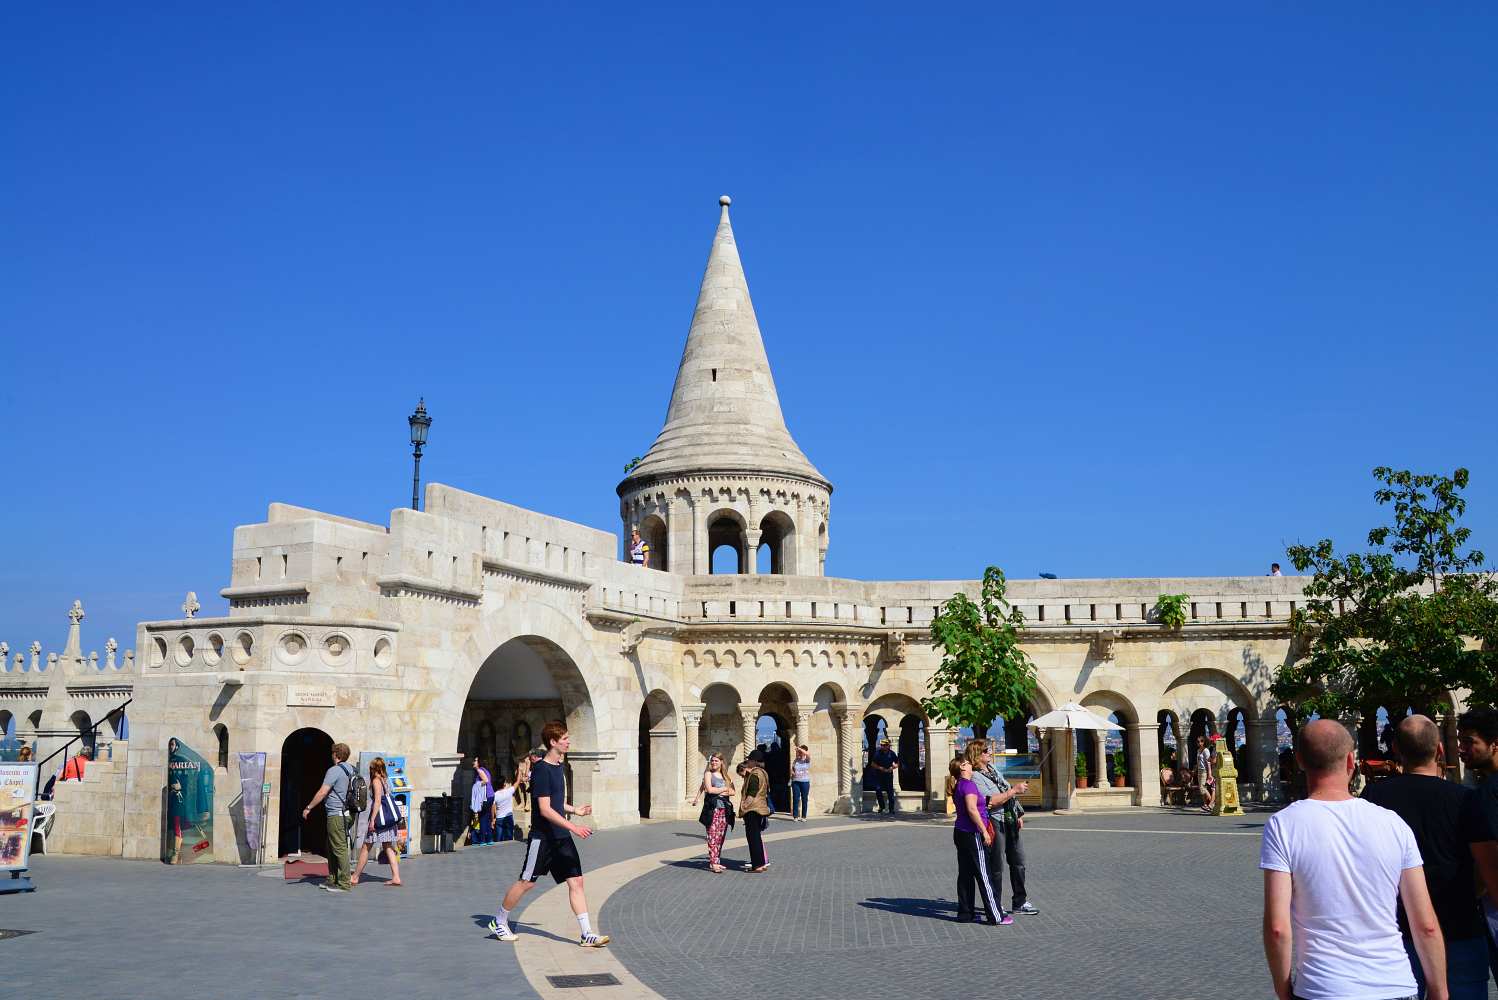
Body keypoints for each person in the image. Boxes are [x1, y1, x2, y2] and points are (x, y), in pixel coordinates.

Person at [1260, 719, 1446, 1000]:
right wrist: (1439, 990)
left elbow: (1277, 928)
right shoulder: (1393, 824)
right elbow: (1425, 924)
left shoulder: (1283, 824)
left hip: (1322, 986)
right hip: (1393, 983)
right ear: (1351, 760)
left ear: (1299, 760)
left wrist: (1283, 990)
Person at [1364, 716, 1490, 999]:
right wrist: (1472, 892)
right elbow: (1486, 868)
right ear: (1440, 750)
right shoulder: (1466, 799)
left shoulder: (1373, 796)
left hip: (1393, 929)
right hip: (1459, 926)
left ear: (1395, 748)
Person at [488, 721, 609, 948]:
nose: (568, 742)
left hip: (561, 837)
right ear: (553, 742)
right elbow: (544, 809)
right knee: (527, 882)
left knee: (577, 882)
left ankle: (587, 934)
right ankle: (499, 921)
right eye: (564, 739)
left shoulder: (557, 768)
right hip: (543, 838)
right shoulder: (541, 770)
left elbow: (555, 802)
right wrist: (574, 827)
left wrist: (575, 810)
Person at [966, 739, 1036, 916]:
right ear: (977, 755)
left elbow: (1006, 790)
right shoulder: (975, 776)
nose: (989, 752)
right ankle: (995, 903)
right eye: (985, 751)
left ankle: (1020, 901)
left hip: (1010, 819)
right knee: (996, 865)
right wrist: (1014, 790)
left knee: (1019, 862)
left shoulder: (993, 770)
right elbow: (989, 801)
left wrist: (1017, 813)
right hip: (995, 821)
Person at [1454, 708, 1498, 984]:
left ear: (1495, 744)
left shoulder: (1485, 796)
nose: (1461, 749)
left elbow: (1488, 865)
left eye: (1470, 742)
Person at [947, 758, 1004, 925]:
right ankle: (995, 915)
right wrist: (984, 831)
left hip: (961, 832)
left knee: (965, 874)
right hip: (972, 833)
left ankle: (965, 913)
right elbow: (972, 810)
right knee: (984, 874)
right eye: (966, 762)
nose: (970, 763)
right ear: (963, 768)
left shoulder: (960, 784)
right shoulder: (969, 784)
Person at [301, 742, 355, 893]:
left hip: (337, 814)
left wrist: (308, 807)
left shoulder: (335, 770)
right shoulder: (352, 769)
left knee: (339, 848)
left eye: (332, 753)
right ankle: (333, 878)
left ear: (336, 755)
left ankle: (344, 883)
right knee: (331, 847)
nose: (331, 755)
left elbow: (322, 792)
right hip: (347, 814)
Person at [353, 757, 403, 887]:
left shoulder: (376, 781)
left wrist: (372, 821)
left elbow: (378, 802)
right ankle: (396, 877)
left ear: (373, 768)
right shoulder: (385, 780)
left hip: (379, 820)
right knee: (388, 846)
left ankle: (355, 876)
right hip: (389, 820)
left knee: (366, 847)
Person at [690, 752, 736, 872]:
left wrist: (721, 791)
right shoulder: (708, 774)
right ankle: (714, 863)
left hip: (724, 809)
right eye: (712, 761)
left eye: (716, 760)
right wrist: (724, 789)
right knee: (712, 835)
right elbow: (709, 789)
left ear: (721, 762)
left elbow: (733, 791)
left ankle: (715, 861)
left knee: (720, 836)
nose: (714, 763)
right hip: (712, 809)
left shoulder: (726, 775)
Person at [738, 756, 771, 873]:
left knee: (753, 838)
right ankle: (761, 863)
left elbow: (751, 794)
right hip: (760, 808)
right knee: (756, 837)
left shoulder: (754, 775)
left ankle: (757, 865)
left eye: (749, 760)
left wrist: (743, 807)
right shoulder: (763, 773)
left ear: (753, 761)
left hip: (752, 810)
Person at [870, 737, 899, 814]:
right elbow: (872, 764)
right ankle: (881, 806)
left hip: (888, 775)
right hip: (879, 775)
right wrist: (880, 768)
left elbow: (897, 763)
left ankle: (891, 809)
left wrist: (892, 768)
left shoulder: (892, 753)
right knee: (878, 790)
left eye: (885, 745)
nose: (883, 746)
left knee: (890, 792)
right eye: (882, 745)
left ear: (888, 745)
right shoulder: (878, 753)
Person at [472, 755, 495, 845]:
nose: (473, 762)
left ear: (479, 763)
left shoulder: (479, 770)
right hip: (491, 795)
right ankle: (489, 839)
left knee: (482, 817)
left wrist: (476, 785)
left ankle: (482, 840)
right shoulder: (485, 770)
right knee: (487, 817)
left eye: (475, 761)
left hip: (486, 797)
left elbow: (485, 780)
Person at [791, 744, 811, 822]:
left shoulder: (807, 760)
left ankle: (804, 816)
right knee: (795, 798)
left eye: (801, 751)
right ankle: (795, 816)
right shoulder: (796, 760)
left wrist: (799, 748)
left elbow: (807, 754)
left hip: (805, 782)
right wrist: (792, 773)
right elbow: (792, 768)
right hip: (795, 781)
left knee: (804, 799)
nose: (799, 752)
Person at [493, 773, 516, 843]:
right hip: (508, 817)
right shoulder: (509, 791)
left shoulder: (495, 795)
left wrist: (493, 818)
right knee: (509, 838)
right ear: (504, 784)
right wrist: (520, 772)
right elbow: (517, 782)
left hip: (499, 817)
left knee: (498, 839)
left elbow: (493, 808)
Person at [1195, 736, 1216, 813]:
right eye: (1198, 741)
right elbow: (1198, 762)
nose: (1199, 743)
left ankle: (1212, 803)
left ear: (1204, 742)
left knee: (1202, 787)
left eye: (1201, 741)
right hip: (1199, 771)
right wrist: (1195, 769)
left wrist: (1209, 774)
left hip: (1204, 771)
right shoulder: (1198, 750)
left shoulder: (1206, 750)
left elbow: (1208, 762)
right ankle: (1206, 804)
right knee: (1201, 789)